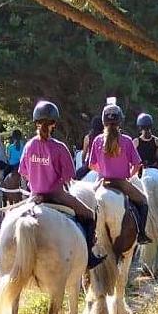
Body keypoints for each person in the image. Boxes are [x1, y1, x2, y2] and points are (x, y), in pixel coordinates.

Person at [19, 100, 104, 269]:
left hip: (35, 196)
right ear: (54, 124)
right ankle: (89, 256)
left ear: (36, 122)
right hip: (57, 195)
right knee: (89, 214)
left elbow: (23, 171)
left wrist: (37, 178)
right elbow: (69, 177)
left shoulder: (29, 146)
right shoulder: (59, 148)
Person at [89, 102, 152, 244]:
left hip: (102, 182)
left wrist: (103, 171)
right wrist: (129, 174)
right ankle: (141, 234)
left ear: (104, 121)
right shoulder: (127, 140)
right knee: (143, 202)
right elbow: (137, 164)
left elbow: (91, 164)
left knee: (87, 205)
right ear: (120, 121)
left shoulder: (97, 140)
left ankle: (89, 238)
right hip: (121, 182)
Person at [75, 113, 104, 178]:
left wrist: (83, 162)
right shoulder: (106, 138)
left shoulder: (88, 137)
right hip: (103, 165)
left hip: (90, 165)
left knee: (75, 177)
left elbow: (84, 153)